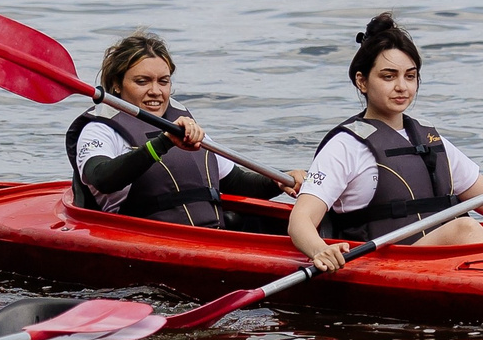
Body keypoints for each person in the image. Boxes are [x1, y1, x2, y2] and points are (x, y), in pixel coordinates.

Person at [288, 13, 483, 272]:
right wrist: (320, 251)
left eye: (410, 76)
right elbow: (300, 221)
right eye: (389, 76)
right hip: (388, 261)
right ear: (362, 82)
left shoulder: (431, 140)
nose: (402, 86)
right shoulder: (345, 146)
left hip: (448, 255)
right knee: (463, 228)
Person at [67, 31, 305, 227]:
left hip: (212, 237)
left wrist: (278, 179)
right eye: (142, 81)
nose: (155, 91)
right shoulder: (100, 129)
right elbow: (101, 178)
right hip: (144, 238)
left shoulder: (183, 123)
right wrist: (164, 142)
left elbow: (238, 182)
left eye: (163, 81)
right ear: (117, 85)